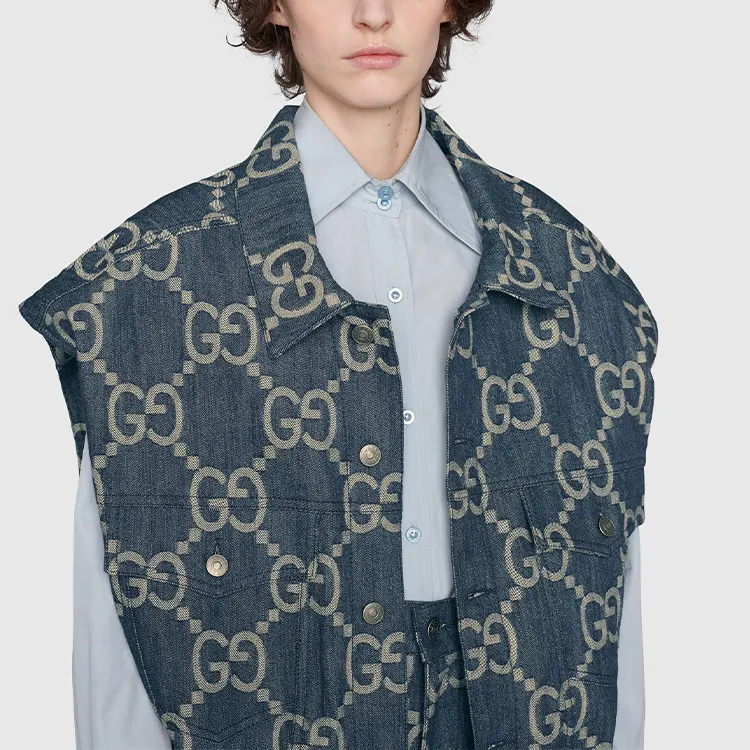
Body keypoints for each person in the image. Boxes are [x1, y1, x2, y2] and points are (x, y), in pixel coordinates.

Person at [18, 1, 657, 748]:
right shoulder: (144, 289)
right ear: (277, 5)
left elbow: (612, 620)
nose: (373, 13)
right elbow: (118, 643)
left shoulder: (574, 279)